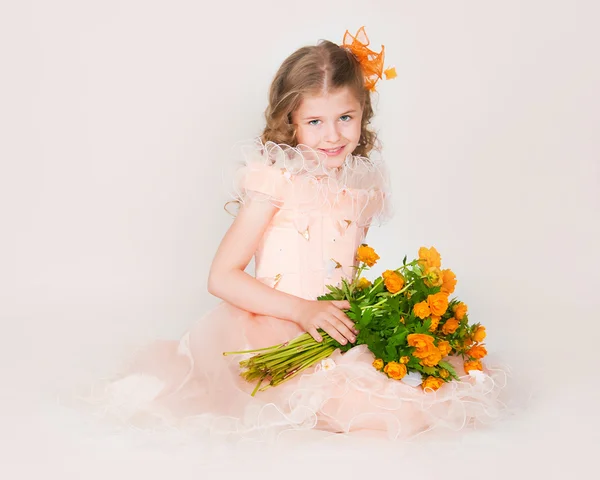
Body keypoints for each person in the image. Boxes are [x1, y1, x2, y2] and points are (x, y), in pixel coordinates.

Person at [88, 27, 506, 441]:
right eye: (315, 121)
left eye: (346, 117)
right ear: (291, 121)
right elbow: (222, 276)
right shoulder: (277, 181)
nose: (333, 135)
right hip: (274, 323)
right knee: (380, 408)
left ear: (363, 113)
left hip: (332, 325)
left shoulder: (362, 183)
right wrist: (304, 312)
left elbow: (340, 265)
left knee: (431, 382)